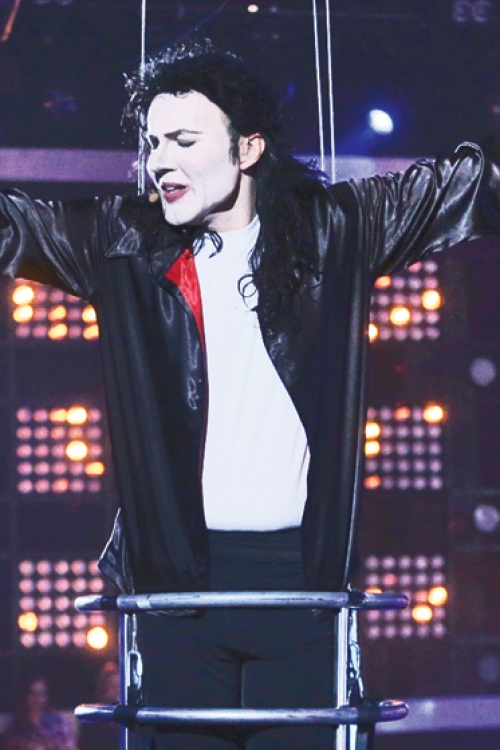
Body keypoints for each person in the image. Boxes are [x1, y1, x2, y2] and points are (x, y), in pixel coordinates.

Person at [2, 37, 500, 749]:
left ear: (247, 148)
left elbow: (475, 185)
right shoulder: (120, 242)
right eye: (152, 143)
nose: (161, 161)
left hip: (301, 582)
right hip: (176, 589)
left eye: (183, 141)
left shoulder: (335, 230)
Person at [0, 677, 78, 750]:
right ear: (25, 696)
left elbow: (71, 746)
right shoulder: (16, 728)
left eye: (42, 694)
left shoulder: (57, 722)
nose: (37, 698)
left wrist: (54, 745)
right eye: (33, 693)